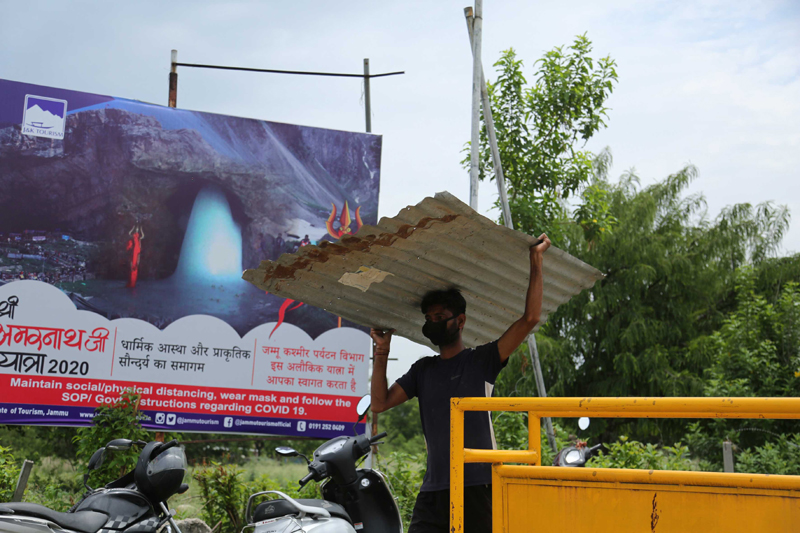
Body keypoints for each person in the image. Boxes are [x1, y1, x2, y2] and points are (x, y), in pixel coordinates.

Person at [370, 234, 551, 533]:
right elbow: (379, 403)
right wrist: (382, 351)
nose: (433, 323)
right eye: (429, 318)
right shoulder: (422, 370)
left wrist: (536, 258)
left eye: (440, 316)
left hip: (479, 484)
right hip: (435, 488)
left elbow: (530, 318)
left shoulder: (482, 360)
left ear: (461, 321)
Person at [126, 223, 145, 288]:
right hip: (134, 251)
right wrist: (133, 228)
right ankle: (131, 283)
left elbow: (142, 237)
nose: (136, 230)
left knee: (135, 269)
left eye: (137, 229)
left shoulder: (139, 237)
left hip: (136, 251)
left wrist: (141, 229)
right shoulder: (133, 236)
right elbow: (129, 233)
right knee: (131, 269)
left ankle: (133, 283)